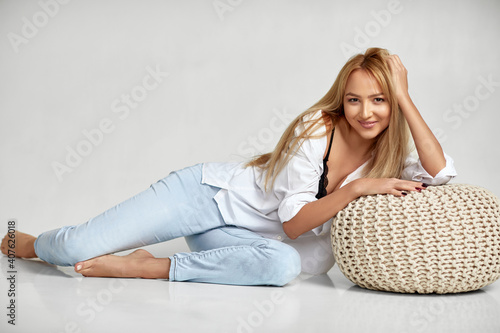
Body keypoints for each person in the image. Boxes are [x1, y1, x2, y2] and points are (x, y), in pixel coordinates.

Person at [1, 48, 457, 286]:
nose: (366, 112)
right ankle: (28, 243)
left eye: (379, 100)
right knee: (75, 249)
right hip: (205, 199)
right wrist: (355, 191)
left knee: (289, 268)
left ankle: (145, 266)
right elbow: (295, 224)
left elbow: (441, 175)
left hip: (244, 240)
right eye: (355, 99)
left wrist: (405, 98)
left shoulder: (390, 154)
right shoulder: (317, 126)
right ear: (342, 98)